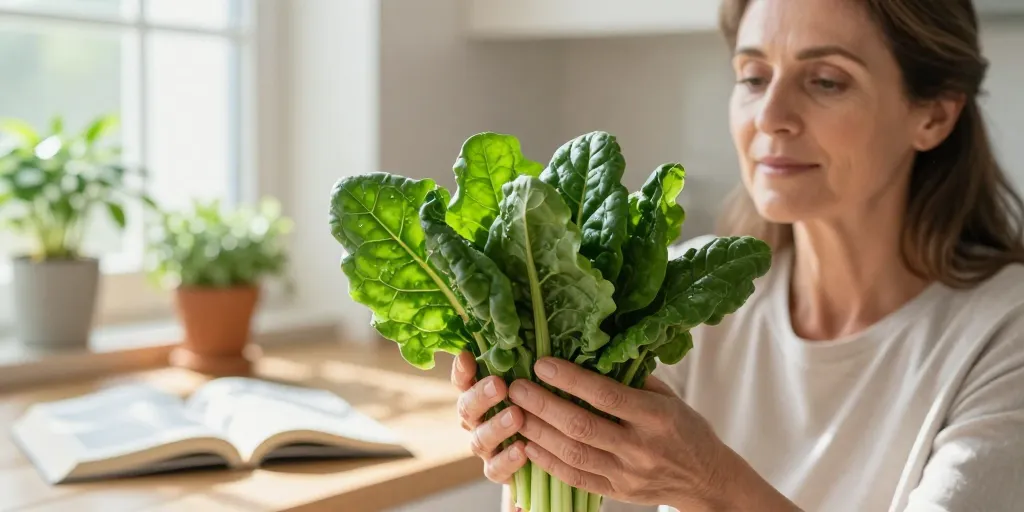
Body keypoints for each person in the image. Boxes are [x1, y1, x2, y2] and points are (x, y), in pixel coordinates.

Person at [450, 0, 1024, 510]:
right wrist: (530, 447)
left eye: (826, 81)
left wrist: (711, 485)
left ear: (934, 115)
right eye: (753, 76)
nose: (770, 117)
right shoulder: (681, 299)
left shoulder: (1005, 331)